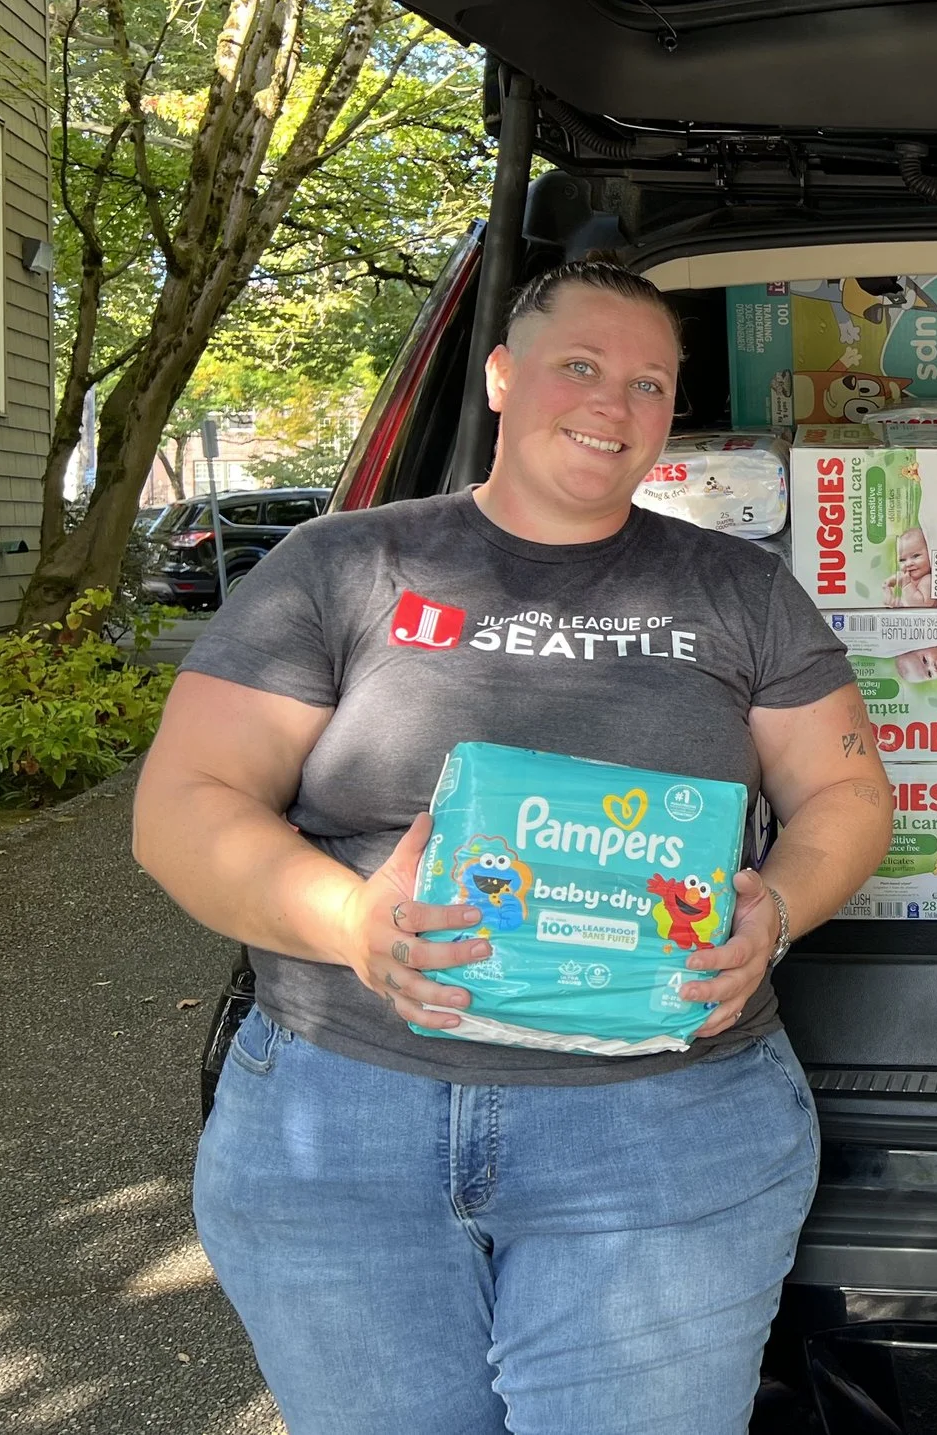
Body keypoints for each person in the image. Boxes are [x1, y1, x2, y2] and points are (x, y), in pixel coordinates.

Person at [135, 259, 893, 1435]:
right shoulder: (347, 564)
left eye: (649, 384)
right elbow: (185, 802)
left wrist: (777, 912)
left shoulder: (739, 586)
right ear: (500, 376)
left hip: (663, 1125)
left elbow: (845, 791)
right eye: (579, 367)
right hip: (347, 1115)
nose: (613, 404)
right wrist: (353, 924)